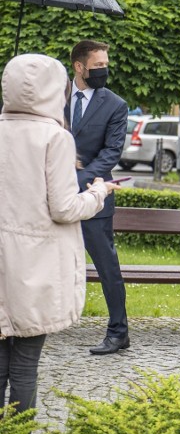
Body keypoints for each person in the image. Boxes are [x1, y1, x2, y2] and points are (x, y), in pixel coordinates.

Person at [0, 54, 117, 414]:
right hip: (35, 266)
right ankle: (20, 430)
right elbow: (64, 208)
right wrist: (98, 192)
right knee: (25, 364)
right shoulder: (56, 138)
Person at [67, 40, 130, 355]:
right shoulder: (53, 97)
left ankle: (119, 332)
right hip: (51, 196)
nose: (104, 71)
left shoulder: (115, 105)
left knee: (107, 267)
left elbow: (111, 152)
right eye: (98, 66)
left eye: (106, 65)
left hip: (95, 196)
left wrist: (77, 177)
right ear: (80, 67)